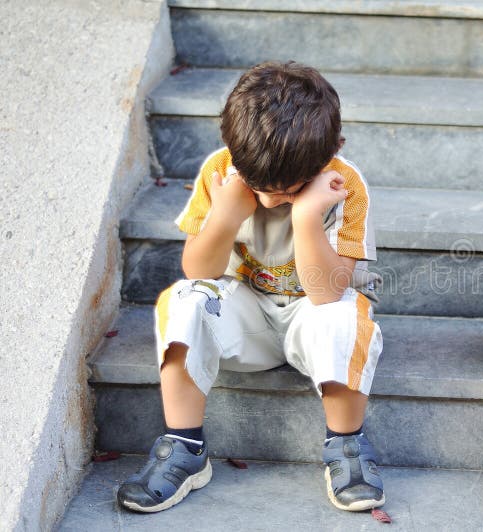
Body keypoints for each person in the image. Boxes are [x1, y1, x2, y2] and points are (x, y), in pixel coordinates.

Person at [116, 61, 385, 514]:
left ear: (331, 151)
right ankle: (185, 447)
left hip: (314, 316)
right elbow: (198, 268)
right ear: (232, 147)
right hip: (247, 317)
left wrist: (305, 214)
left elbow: (326, 292)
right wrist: (225, 215)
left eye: (288, 189)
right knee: (183, 299)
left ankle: (346, 445)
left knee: (344, 314)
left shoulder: (343, 184)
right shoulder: (222, 170)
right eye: (261, 186)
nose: (271, 198)